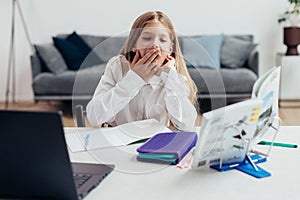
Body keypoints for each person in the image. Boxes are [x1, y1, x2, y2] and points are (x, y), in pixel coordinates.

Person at [86, 11, 198, 131]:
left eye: (163, 40)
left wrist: (169, 78)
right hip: (118, 139)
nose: (155, 45)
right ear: (134, 44)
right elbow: (94, 117)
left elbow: (187, 124)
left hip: (154, 142)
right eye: (147, 38)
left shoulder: (174, 76)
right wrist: (135, 77)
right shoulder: (117, 66)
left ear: (170, 49)